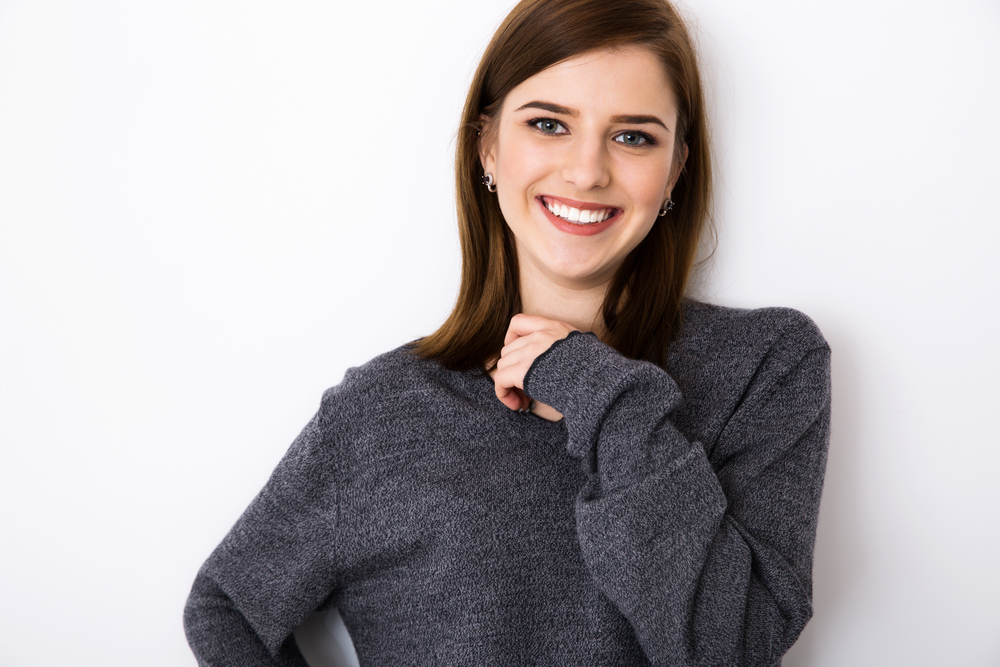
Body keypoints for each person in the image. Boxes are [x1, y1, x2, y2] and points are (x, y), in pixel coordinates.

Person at [183, 0, 831, 664]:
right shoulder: (378, 414)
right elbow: (225, 607)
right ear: (487, 147)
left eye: (633, 136)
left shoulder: (766, 366)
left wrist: (596, 390)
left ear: (676, 168)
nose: (586, 171)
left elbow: (734, 649)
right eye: (549, 124)